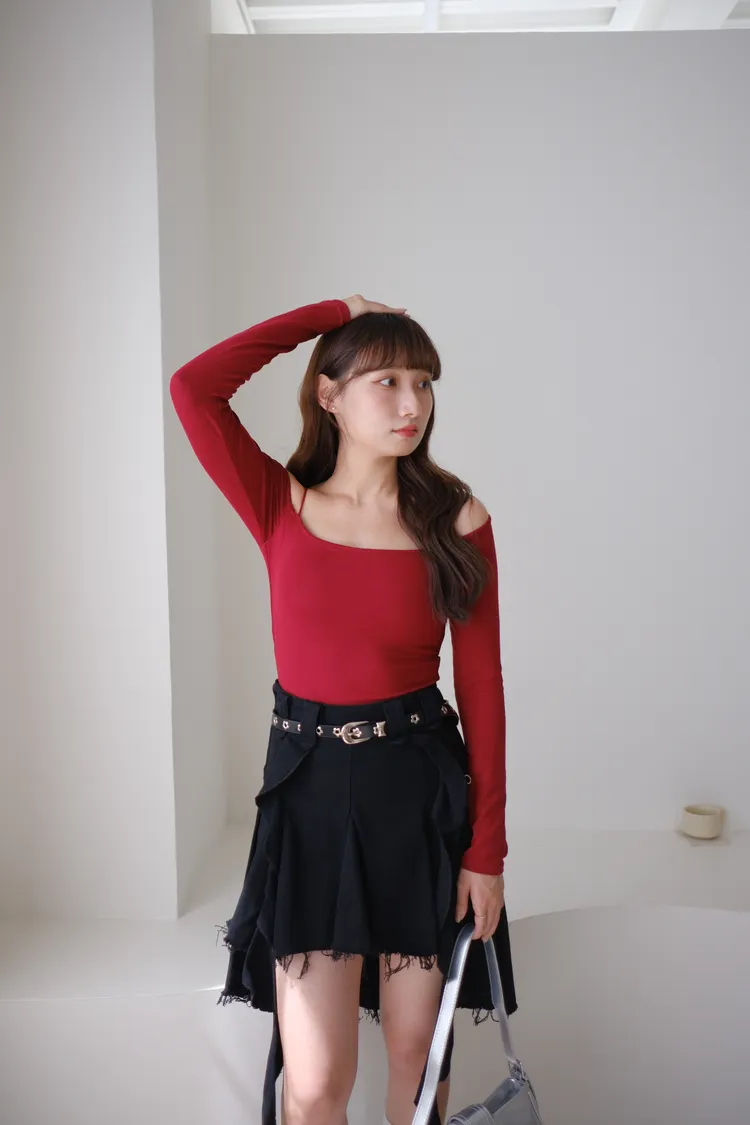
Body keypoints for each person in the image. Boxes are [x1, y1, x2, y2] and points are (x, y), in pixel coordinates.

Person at [169, 295, 517, 1125]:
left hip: (418, 796)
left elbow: (483, 687)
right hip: (311, 796)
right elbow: (193, 387)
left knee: (417, 1055)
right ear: (328, 394)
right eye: (386, 380)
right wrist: (331, 312)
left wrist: (487, 849)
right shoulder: (279, 504)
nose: (411, 402)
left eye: (424, 382)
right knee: (317, 1079)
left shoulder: (456, 521)